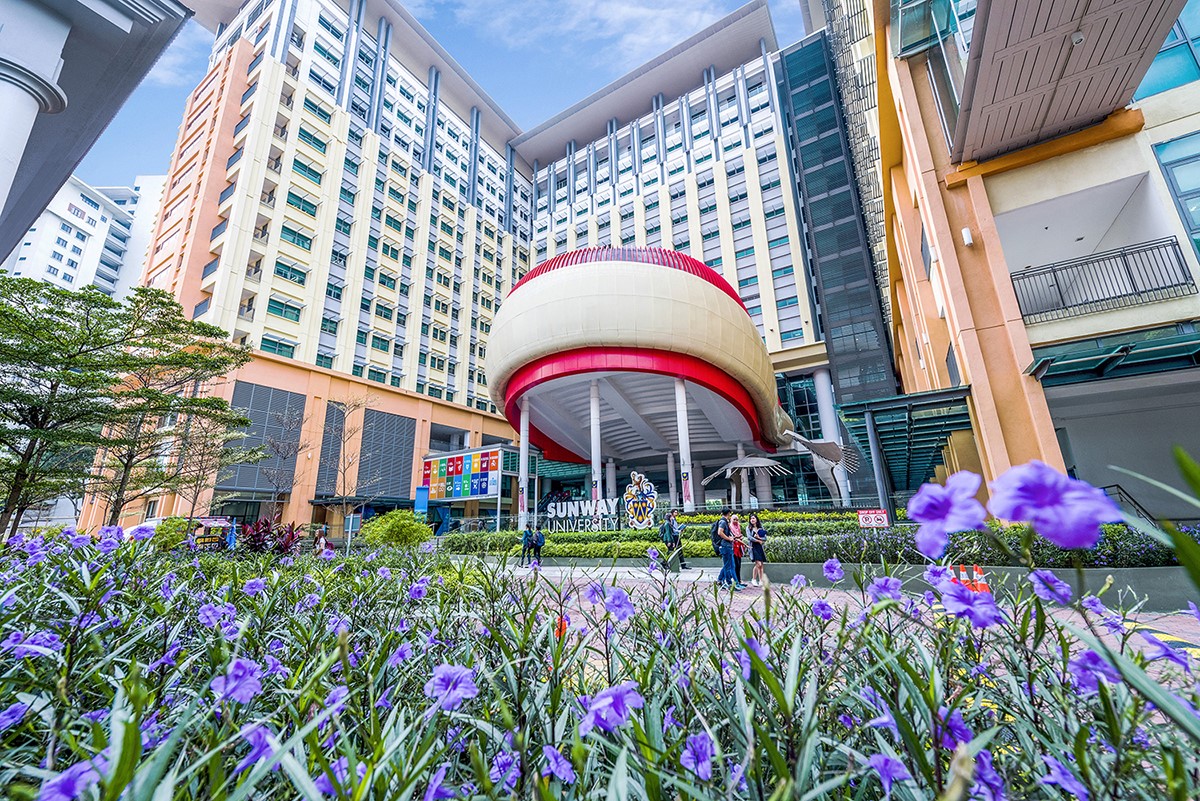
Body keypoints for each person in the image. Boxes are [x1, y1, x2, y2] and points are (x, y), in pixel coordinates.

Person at [714, 508, 739, 590]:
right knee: (728, 566)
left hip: (727, 546)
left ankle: (720, 580)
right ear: (728, 513)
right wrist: (729, 539)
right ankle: (729, 583)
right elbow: (720, 532)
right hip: (725, 546)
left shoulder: (724, 521)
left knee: (729, 565)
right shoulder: (723, 522)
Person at [747, 512, 768, 587]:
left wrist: (759, 538)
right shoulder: (748, 528)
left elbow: (765, 538)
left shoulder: (761, 527)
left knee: (761, 565)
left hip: (760, 547)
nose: (752, 520)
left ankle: (761, 580)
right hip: (753, 547)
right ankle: (753, 579)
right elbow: (749, 537)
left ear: (756, 519)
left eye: (753, 518)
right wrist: (757, 540)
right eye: (751, 518)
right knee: (758, 564)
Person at [730, 514, 748, 589]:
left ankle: (739, 580)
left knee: (738, 565)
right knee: (735, 565)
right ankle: (735, 581)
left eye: (737, 520)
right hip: (733, 548)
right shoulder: (730, 527)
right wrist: (737, 537)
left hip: (739, 548)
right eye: (734, 519)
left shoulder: (738, 527)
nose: (735, 521)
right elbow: (732, 537)